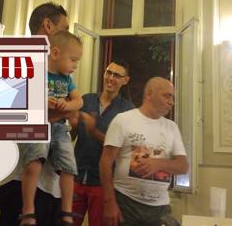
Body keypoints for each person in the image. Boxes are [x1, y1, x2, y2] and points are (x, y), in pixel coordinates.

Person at [0, 2, 71, 226]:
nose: (68, 37)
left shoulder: (59, 69)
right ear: (48, 25)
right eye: (64, 29)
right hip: (20, 181)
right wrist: (58, 114)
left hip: (51, 183)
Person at [100, 77, 188, 226]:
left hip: (160, 209)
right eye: (167, 96)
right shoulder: (123, 120)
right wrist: (109, 202)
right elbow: (105, 162)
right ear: (149, 94)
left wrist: (158, 164)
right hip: (125, 203)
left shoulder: (171, 127)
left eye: (172, 97)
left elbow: (183, 166)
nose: (171, 102)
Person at [19, 31, 83, 226]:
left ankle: (67, 211)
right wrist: (48, 103)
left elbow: (78, 101)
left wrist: (67, 106)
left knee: (69, 167)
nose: (75, 66)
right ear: (55, 53)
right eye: (73, 59)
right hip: (40, 125)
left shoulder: (68, 80)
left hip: (60, 129)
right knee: (35, 161)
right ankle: (28, 209)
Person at [72, 59, 134, 226]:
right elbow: (71, 136)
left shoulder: (128, 111)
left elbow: (123, 151)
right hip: (75, 177)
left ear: (125, 80)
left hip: (103, 184)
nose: (111, 78)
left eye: (117, 75)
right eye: (109, 72)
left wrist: (93, 131)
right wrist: (72, 126)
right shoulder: (86, 100)